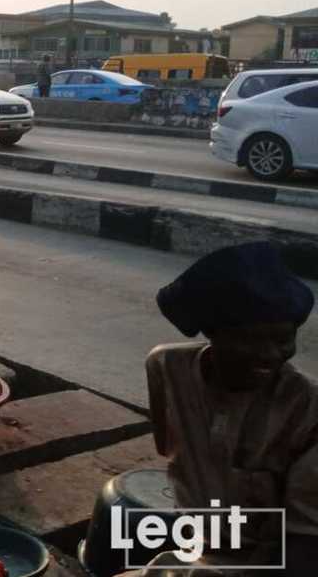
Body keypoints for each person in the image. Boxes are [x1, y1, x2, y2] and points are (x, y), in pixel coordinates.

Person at [118, 242, 318, 576]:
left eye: (284, 339)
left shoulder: (308, 409)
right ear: (213, 334)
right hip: (198, 551)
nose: (272, 354)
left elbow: (306, 545)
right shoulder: (166, 367)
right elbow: (174, 454)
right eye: (251, 340)